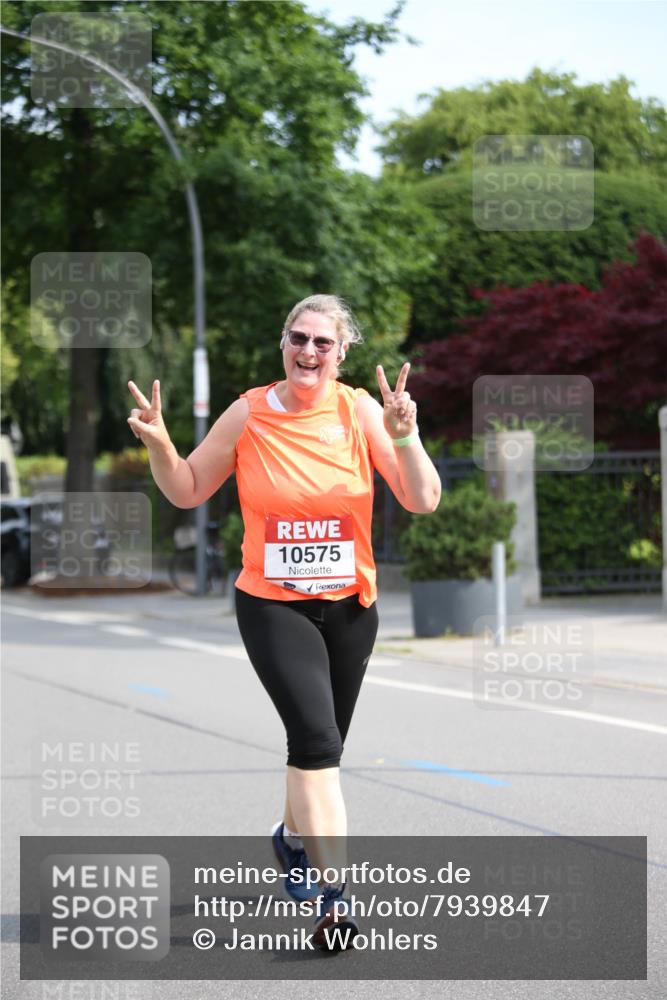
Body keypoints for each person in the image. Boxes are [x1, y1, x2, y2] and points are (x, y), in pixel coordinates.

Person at [127, 294, 441, 949]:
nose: (307, 352)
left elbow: (422, 499)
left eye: (322, 343)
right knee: (316, 744)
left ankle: (292, 838)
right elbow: (186, 487)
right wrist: (160, 442)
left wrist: (405, 434)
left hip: (350, 607)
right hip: (271, 603)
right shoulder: (248, 413)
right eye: (298, 338)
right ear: (282, 341)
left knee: (319, 748)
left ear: (341, 353)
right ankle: (335, 902)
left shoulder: (359, 410)